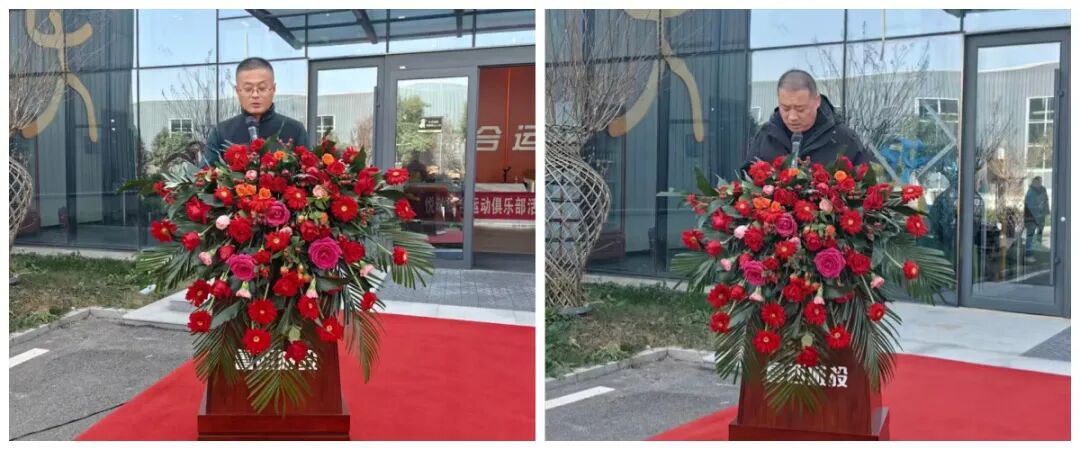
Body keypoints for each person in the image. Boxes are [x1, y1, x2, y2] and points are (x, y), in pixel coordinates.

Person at [743, 69, 873, 171]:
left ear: (817, 101)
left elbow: (868, 186)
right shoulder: (766, 137)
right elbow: (746, 183)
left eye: (800, 109)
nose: (792, 117)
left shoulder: (844, 139)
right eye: (785, 108)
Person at [203, 57, 309, 165]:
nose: (255, 95)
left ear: (273, 89)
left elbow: (309, 170)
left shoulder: (295, 129)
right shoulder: (221, 132)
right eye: (248, 89)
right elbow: (205, 172)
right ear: (237, 91)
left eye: (262, 88)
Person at [1023, 176, 1050, 257]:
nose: (1039, 183)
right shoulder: (1030, 192)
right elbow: (1029, 206)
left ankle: (1038, 251)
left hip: (1040, 217)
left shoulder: (1043, 190)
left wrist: (1046, 213)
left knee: (1039, 234)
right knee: (1030, 236)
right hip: (1031, 218)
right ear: (1034, 183)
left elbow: (1046, 202)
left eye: (1040, 182)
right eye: (1037, 182)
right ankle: (1028, 254)